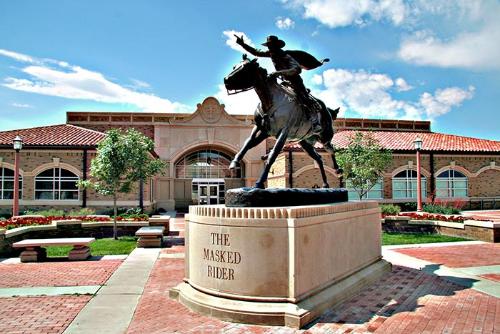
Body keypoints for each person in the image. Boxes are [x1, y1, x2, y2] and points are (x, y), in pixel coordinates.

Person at [235, 35, 322, 134]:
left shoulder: (285, 55)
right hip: (284, 81)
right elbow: (256, 52)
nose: (269, 48)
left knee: (305, 98)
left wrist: (279, 73)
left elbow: (296, 69)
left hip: (295, 81)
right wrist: (242, 44)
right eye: (268, 46)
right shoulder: (272, 54)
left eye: (270, 45)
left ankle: (315, 122)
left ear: (276, 46)